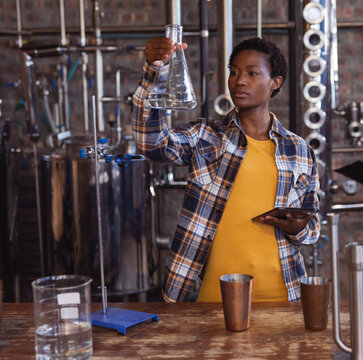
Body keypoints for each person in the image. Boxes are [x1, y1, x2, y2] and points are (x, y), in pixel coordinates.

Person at [131, 37, 320, 302]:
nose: (239, 80)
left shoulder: (300, 150)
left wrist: (296, 226)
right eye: (234, 72)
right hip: (215, 299)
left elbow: (312, 230)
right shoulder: (206, 137)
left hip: (284, 298)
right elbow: (150, 142)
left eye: (252, 73)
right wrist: (155, 71)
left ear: (275, 83)